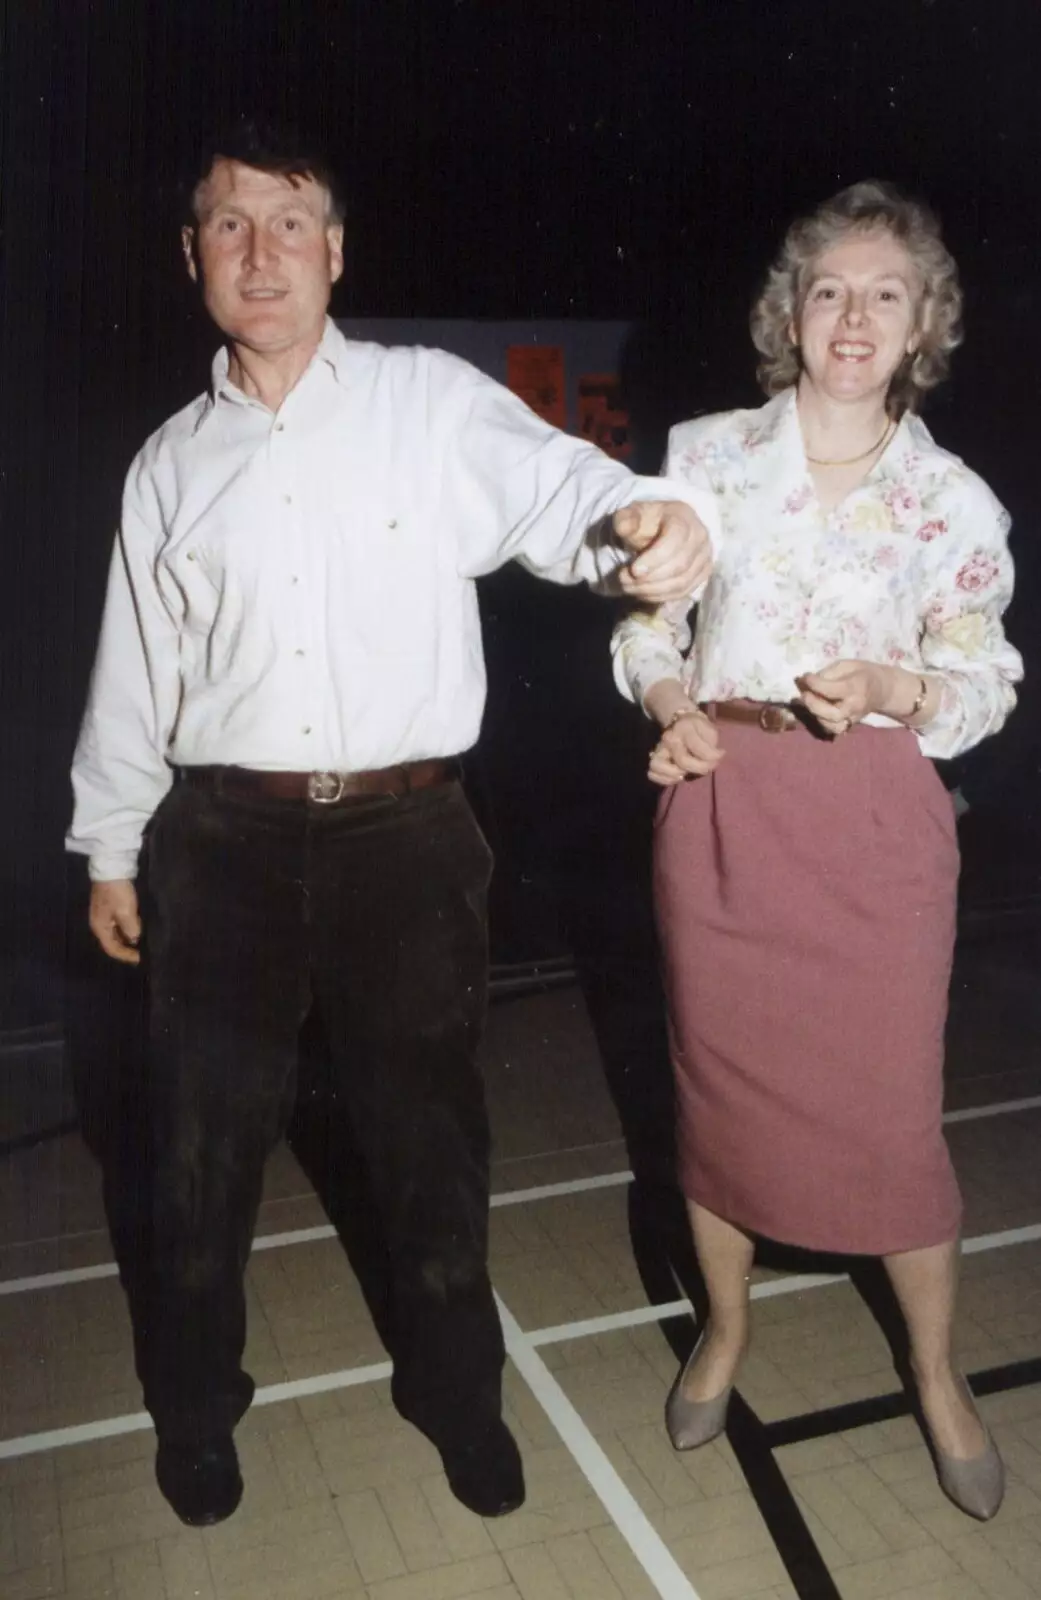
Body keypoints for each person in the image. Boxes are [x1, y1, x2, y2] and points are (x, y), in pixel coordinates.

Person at [66, 121, 714, 1528]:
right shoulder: (168, 464)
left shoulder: (429, 402)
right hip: (220, 845)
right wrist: (111, 844)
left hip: (409, 846)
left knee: (430, 1145)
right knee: (198, 1154)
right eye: (228, 225)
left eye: (290, 221)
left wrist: (654, 520)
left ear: (337, 251)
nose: (261, 251)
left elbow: (567, 494)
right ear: (193, 259)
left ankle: (457, 1398)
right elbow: (136, 672)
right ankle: (197, 1413)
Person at [611, 181, 1022, 1522]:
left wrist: (897, 689)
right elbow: (647, 635)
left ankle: (936, 1372)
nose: (856, 316)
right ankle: (725, 1334)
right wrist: (671, 712)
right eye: (832, 290)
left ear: (924, 327)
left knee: (893, 1119)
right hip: (723, 800)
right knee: (716, 1100)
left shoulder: (953, 502)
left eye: (886, 294)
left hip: (876, 821)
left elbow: (985, 681)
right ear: (792, 314)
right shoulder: (706, 457)